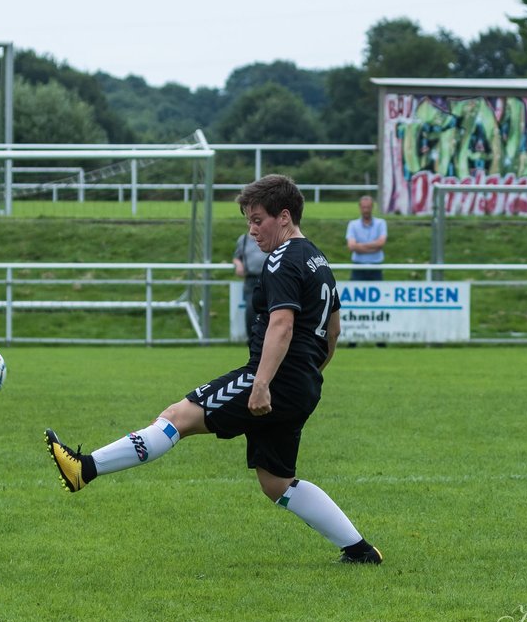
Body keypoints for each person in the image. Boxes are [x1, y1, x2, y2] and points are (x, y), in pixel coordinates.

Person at [45, 174, 381, 565]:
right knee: (276, 482)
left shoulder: (281, 259)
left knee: (176, 418)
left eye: (258, 220)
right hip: (303, 384)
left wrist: (263, 384)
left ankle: (84, 469)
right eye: (248, 221)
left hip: (272, 380)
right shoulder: (318, 260)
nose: (252, 230)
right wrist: (308, 373)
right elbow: (334, 330)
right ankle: (360, 551)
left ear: (284, 217)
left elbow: (282, 325)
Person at [345, 195, 387, 281]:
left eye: (368, 207)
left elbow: (381, 243)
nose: (366, 210)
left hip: (376, 266)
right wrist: (375, 247)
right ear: (360, 208)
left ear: (372, 207)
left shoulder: (381, 223)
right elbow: (351, 246)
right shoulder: (353, 224)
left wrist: (359, 246)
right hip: (358, 267)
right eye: (364, 207)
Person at [232, 231, 266, 312]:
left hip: (268, 279)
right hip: (251, 280)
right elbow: (237, 257)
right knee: (251, 308)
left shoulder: (271, 237)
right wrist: (238, 264)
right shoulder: (243, 239)